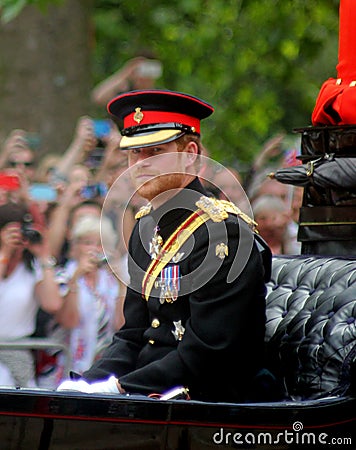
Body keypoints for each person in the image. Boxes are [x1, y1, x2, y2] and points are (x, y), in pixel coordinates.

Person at [58, 89, 272, 403]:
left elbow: (210, 351)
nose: (140, 164)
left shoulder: (224, 233)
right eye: (134, 153)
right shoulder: (146, 227)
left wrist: (121, 389)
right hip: (153, 393)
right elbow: (133, 335)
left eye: (155, 151)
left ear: (190, 154)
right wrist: (88, 383)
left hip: (213, 400)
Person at [0, 201, 62, 387]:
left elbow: (52, 304)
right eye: (12, 233)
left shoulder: (33, 267)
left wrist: (44, 255)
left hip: (17, 350)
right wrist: (5, 252)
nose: (18, 239)